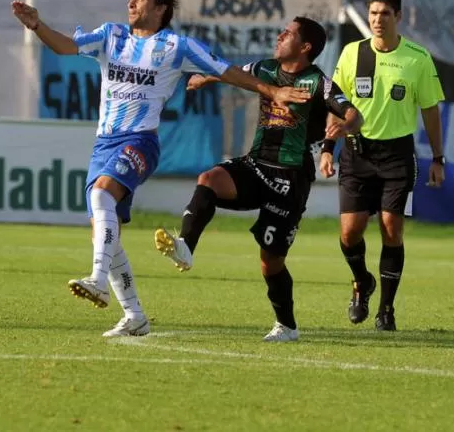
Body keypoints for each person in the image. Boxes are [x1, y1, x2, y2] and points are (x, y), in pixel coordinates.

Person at [11, 0, 310, 337]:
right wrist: (37, 26)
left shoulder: (175, 46)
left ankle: (97, 279)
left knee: (100, 194)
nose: (131, 3)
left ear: (160, 9)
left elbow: (225, 70)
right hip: (103, 143)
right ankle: (134, 316)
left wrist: (271, 90)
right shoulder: (111, 35)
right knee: (106, 232)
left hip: (140, 141)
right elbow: (65, 46)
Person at [154, 17, 363, 342]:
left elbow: (354, 114)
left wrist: (344, 127)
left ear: (305, 47)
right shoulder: (266, 68)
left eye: (288, 33)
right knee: (209, 178)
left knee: (271, 261)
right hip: (256, 164)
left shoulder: (318, 83)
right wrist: (206, 79)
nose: (279, 35)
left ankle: (287, 326)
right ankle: (185, 247)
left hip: (291, 178)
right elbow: (235, 73)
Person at [323, 0, 445, 332]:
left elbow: (431, 110)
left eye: (385, 14)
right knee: (350, 232)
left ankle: (386, 310)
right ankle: (362, 283)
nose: (377, 20)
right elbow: (336, 103)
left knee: (392, 229)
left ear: (398, 17)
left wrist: (438, 157)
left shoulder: (417, 58)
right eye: (373, 13)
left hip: (397, 156)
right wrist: (327, 148)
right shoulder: (352, 53)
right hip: (357, 153)